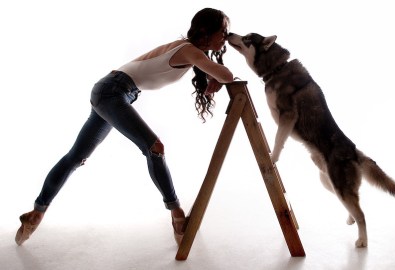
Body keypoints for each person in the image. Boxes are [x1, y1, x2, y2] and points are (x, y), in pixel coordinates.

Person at [15, 7, 233, 246]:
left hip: (115, 92)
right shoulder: (190, 50)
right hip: (113, 91)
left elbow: (217, 74)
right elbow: (227, 75)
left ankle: (36, 213)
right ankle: (177, 214)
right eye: (223, 31)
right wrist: (219, 77)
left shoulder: (189, 51)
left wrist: (214, 77)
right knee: (155, 147)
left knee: (76, 156)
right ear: (205, 30)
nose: (226, 36)